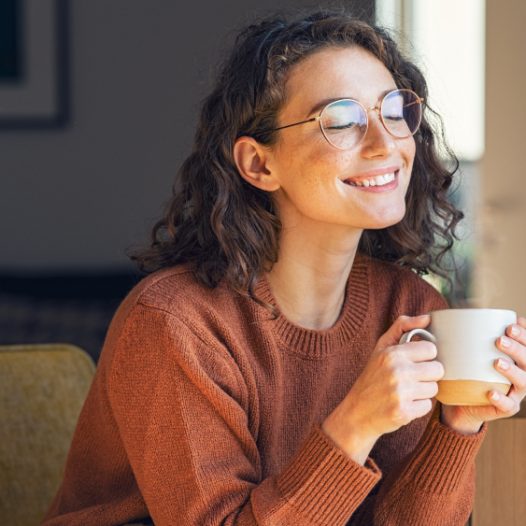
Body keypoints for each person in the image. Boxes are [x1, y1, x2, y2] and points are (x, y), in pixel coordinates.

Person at [43, 8, 526, 526]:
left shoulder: (409, 308)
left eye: (394, 110)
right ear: (259, 164)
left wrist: (457, 427)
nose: (385, 143)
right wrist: (353, 425)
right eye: (341, 121)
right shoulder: (175, 323)